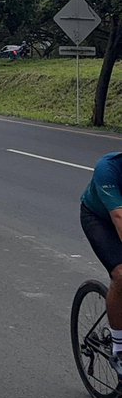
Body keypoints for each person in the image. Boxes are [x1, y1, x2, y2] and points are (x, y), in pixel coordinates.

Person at [80, 151, 122, 380]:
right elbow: (118, 218)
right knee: (121, 274)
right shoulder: (108, 168)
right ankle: (118, 348)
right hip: (99, 219)